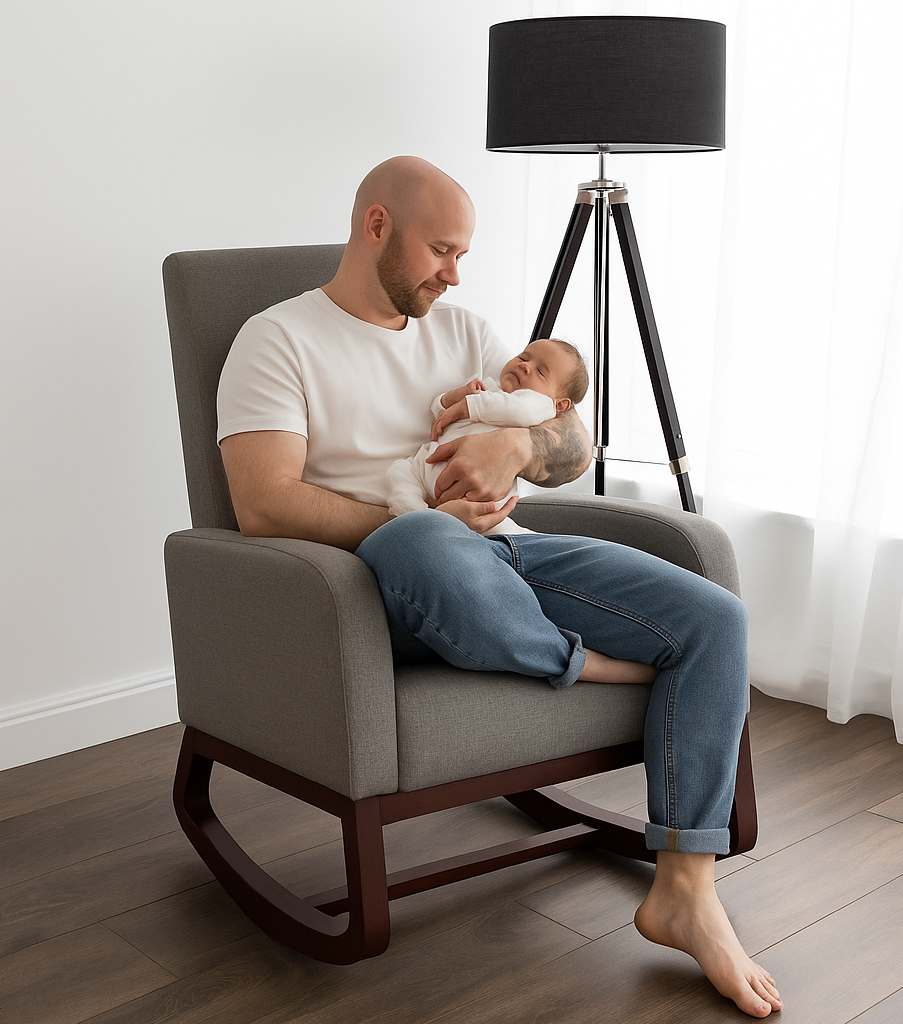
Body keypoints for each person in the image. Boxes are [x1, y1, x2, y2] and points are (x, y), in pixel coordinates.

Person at [216, 155, 782, 1017]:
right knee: (424, 545)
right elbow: (262, 503)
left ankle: (684, 890)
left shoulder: (468, 331)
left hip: (514, 551)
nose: (454, 273)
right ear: (376, 227)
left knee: (714, 619)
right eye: (441, 250)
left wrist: (513, 450)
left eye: (462, 255)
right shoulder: (278, 338)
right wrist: (422, 525)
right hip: (389, 580)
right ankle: (581, 663)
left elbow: (570, 442)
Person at [386, 337, 589, 536]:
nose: (526, 366)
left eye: (541, 372)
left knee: (493, 526)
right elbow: (440, 415)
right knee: (399, 472)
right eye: (523, 357)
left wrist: (469, 405)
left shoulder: (540, 405)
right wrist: (450, 399)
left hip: (476, 496)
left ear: (560, 405)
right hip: (426, 465)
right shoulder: (488, 386)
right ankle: (415, 519)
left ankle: (425, 526)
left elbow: (517, 409)